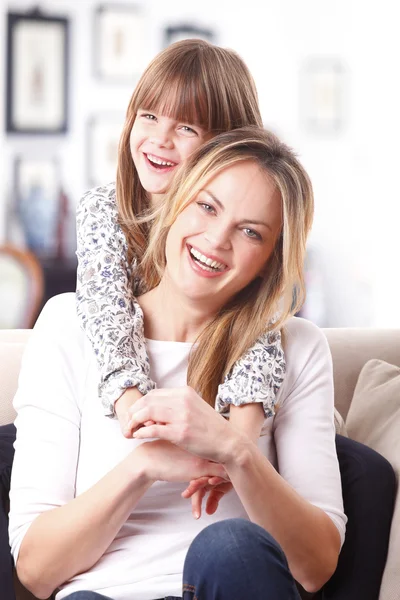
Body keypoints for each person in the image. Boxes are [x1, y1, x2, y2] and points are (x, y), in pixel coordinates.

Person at [9, 127, 346, 600]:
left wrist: (236, 451)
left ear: (271, 259)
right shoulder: (69, 326)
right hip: (104, 594)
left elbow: (316, 566)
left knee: (231, 545)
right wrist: (144, 465)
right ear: (174, 203)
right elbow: (37, 570)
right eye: (207, 206)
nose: (216, 239)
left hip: (231, 585)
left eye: (250, 231)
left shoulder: (298, 348)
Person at [75, 39, 285, 446]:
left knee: (368, 470)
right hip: (131, 403)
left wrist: (241, 438)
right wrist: (134, 408)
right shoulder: (106, 208)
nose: (160, 139)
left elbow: (260, 317)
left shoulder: (233, 232)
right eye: (149, 116)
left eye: (186, 127)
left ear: (226, 144)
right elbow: (106, 308)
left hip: (228, 403)